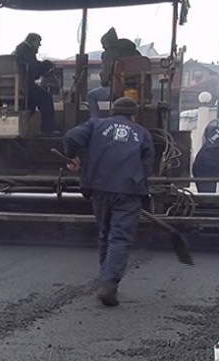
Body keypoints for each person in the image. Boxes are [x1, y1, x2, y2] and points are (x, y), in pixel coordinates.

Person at [63, 97, 155, 307]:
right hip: (128, 191)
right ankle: (108, 284)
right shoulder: (141, 133)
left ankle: (105, 279)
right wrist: (138, 183)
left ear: (113, 111)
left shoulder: (96, 125)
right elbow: (148, 165)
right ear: (134, 114)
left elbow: (71, 137)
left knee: (105, 233)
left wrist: (72, 157)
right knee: (119, 237)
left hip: (99, 188)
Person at [87, 27, 142, 118]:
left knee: (91, 96)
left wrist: (104, 81)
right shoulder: (136, 52)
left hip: (116, 90)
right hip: (138, 91)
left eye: (103, 44)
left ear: (109, 43)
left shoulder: (108, 54)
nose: (103, 47)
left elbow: (105, 77)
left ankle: (95, 121)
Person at [12, 33, 58, 133]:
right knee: (46, 98)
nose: (39, 46)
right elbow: (34, 69)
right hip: (24, 86)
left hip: (14, 87)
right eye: (39, 42)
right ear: (33, 41)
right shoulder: (26, 50)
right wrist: (47, 64)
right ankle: (48, 130)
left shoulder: (18, 50)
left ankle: (24, 129)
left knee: (30, 104)